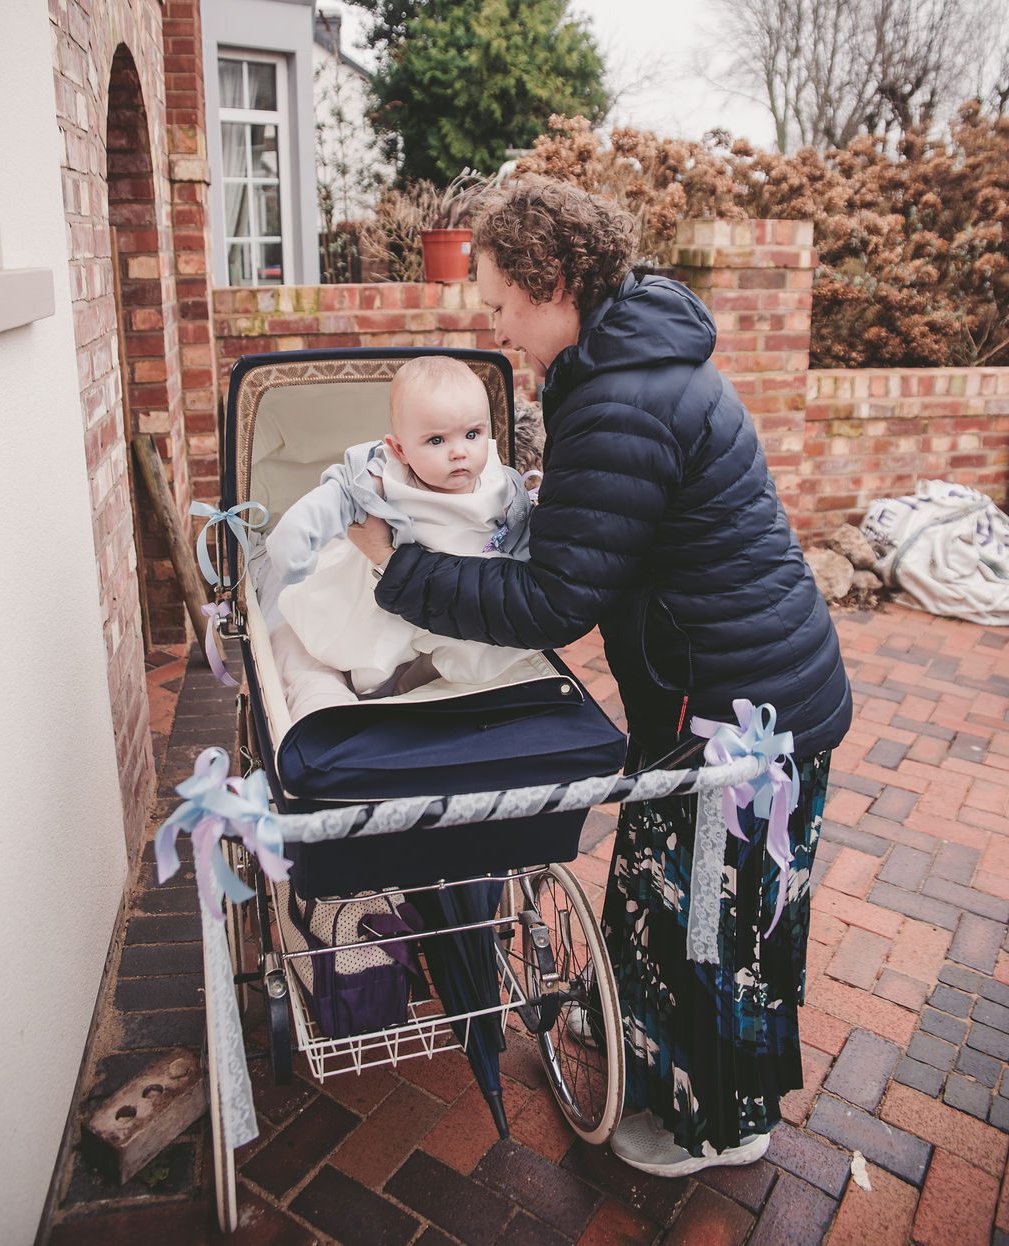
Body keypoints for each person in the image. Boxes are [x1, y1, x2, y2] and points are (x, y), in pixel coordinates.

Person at [347, 177, 853, 1177]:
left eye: (500, 302)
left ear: (555, 281)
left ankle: (710, 1126)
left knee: (709, 920)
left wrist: (397, 566)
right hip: (742, 691)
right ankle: (651, 1042)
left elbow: (551, 602)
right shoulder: (629, 360)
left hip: (741, 721)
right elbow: (604, 531)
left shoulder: (620, 394)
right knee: (688, 896)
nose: (496, 324)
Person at [267, 356, 532, 699]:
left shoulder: (500, 482)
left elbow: (521, 531)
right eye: (436, 440)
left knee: (483, 647)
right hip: (391, 592)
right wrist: (295, 538)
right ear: (400, 449)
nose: (459, 453)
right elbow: (336, 497)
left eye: (472, 434)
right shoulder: (387, 475)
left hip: (463, 593)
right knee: (366, 649)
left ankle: (426, 673)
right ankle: (372, 689)